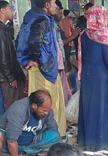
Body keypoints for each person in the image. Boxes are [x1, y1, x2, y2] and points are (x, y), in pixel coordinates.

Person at [17, 0, 67, 138]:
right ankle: (50, 136)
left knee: (38, 102)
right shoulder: (42, 20)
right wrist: (33, 59)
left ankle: (42, 135)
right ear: (46, 5)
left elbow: (19, 40)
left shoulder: (31, 16)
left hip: (41, 69)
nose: (56, 6)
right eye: (53, 3)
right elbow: (34, 41)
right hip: (44, 70)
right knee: (47, 104)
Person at [77, 5, 108, 151]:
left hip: (88, 77)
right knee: (104, 108)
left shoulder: (83, 35)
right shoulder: (103, 35)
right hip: (102, 77)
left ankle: (87, 140)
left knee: (89, 108)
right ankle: (105, 141)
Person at [0, 90, 60, 156]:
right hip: (9, 142)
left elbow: (54, 129)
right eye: (44, 110)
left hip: (30, 141)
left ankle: (25, 153)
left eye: (48, 110)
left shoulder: (47, 111)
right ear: (34, 106)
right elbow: (11, 140)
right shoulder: (19, 110)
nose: (47, 113)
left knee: (54, 135)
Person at [0, 1, 26, 110]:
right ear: (2, 11)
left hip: (10, 74)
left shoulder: (2, 28)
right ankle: (12, 127)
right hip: (7, 77)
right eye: (10, 9)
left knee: (18, 103)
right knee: (12, 105)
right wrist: (11, 78)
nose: (12, 11)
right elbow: (2, 57)